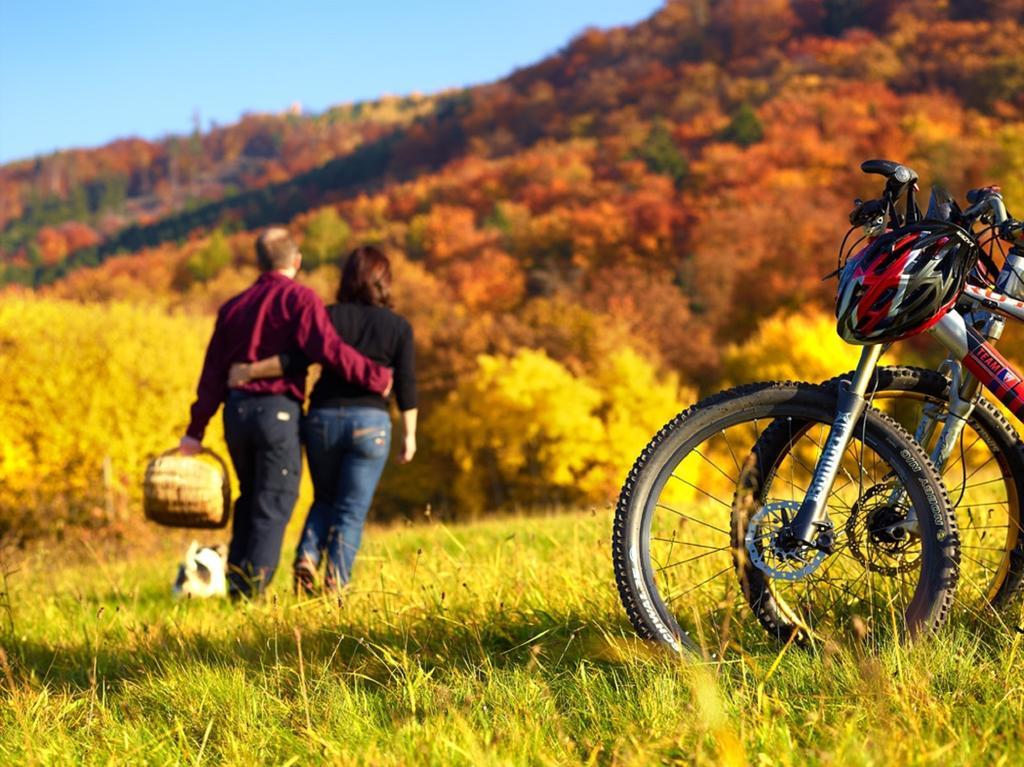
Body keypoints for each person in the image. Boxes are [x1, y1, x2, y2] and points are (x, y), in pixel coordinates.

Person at [180, 228, 392, 599]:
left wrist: (195, 430)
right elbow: (328, 350)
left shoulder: (234, 307)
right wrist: (374, 377)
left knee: (249, 497)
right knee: (274, 499)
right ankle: (251, 595)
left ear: (260, 263)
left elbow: (212, 373)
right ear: (296, 261)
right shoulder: (300, 300)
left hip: (236, 414)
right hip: (277, 413)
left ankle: (237, 587)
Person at [229, 245, 417, 593]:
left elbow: (295, 359)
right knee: (352, 508)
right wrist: (410, 435)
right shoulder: (398, 327)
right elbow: (406, 383)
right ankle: (335, 581)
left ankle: (307, 556)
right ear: (384, 281)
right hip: (371, 422)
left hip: (322, 420)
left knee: (324, 498)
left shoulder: (327, 316)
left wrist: (250, 371)